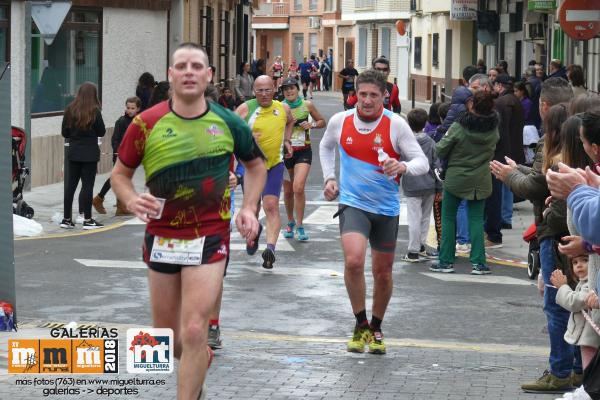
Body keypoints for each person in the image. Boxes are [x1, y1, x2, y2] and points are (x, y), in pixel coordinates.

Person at [111, 43, 266, 400]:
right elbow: (120, 174)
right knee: (168, 338)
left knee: (196, 329)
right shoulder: (145, 123)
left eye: (197, 66)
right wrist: (132, 198)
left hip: (210, 235)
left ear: (209, 75)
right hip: (162, 236)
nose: (189, 72)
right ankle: (198, 366)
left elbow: (256, 166)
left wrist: (248, 207)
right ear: (171, 75)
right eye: (181, 66)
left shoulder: (229, 122)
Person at [319, 69, 428, 354]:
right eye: (362, 94)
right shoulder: (340, 121)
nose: (367, 101)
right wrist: (330, 178)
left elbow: (422, 162)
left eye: (373, 95)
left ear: (384, 97)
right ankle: (360, 324)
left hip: (386, 209)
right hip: (353, 204)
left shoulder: (396, 125)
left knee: (383, 273)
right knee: (354, 262)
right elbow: (326, 146)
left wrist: (402, 166)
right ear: (356, 93)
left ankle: (377, 326)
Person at [490, 78, 577, 393]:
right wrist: (521, 170)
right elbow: (543, 179)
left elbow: (539, 187)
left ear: (544, 106)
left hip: (554, 231)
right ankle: (577, 368)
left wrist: (510, 175)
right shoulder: (575, 132)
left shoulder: (555, 137)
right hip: (568, 231)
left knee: (556, 305)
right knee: (574, 304)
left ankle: (559, 371)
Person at [429, 91, 499, 275]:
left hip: (456, 177)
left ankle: (446, 261)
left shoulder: (459, 126)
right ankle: (479, 263)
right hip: (481, 178)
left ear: (471, 105)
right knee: (476, 220)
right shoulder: (493, 128)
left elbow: (441, 148)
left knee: (448, 218)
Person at [236, 75, 294, 269]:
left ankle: (270, 248)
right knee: (253, 208)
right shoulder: (246, 109)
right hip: (251, 167)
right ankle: (254, 232)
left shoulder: (283, 108)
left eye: (267, 89)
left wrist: (286, 140)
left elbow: (290, 121)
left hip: (274, 165)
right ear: (254, 91)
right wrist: (246, 136)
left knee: (271, 205)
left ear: (274, 89)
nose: (264, 94)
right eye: (259, 90)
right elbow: (229, 131)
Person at [279, 78, 326, 242]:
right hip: (285, 153)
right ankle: (290, 222)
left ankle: (300, 225)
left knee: (298, 187)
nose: (289, 92)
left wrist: (311, 125)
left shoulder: (307, 105)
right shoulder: (279, 107)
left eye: (291, 88)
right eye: (285, 89)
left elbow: (322, 122)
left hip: (303, 151)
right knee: (288, 191)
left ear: (297, 89)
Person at [60, 82, 106, 230]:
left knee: (70, 186)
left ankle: (66, 219)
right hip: (90, 155)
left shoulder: (70, 109)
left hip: (73, 153)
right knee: (87, 186)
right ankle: (88, 219)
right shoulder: (94, 111)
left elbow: (64, 133)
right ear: (94, 95)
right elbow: (102, 131)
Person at [485, 73, 524, 244]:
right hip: (512, 146)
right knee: (507, 182)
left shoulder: (503, 103)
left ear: (500, 86)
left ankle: (505, 217)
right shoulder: (514, 99)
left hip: (505, 150)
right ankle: (505, 216)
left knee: (502, 185)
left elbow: (502, 129)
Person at [93, 96, 140, 217]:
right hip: (121, 155)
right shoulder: (121, 122)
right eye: (128, 107)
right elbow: (115, 139)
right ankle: (100, 199)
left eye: (132, 108)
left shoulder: (139, 121)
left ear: (138, 109)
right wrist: (119, 151)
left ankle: (118, 206)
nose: (129, 110)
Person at [402, 108, 439, 262]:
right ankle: (422, 245)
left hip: (412, 184)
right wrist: (439, 186)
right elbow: (436, 164)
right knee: (425, 218)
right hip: (429, 184)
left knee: (414, 219)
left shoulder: (405, 142)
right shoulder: (430, 142)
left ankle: (413, 251)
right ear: (425, 123)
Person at [551, 254, 600, 369]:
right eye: (575, 262)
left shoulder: (592, 284)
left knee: (589, 368)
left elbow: (574, 302)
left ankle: (589, 386)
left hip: (591, 337)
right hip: (587, 336)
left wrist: (562, 287)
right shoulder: (583, 282)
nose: (579, 265)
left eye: (585, 260)